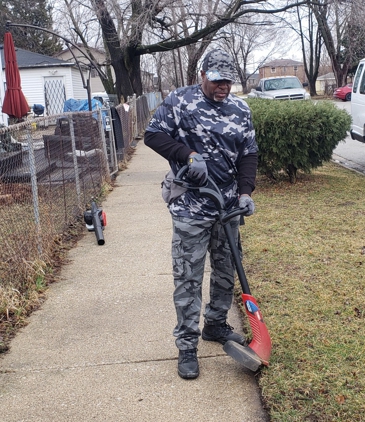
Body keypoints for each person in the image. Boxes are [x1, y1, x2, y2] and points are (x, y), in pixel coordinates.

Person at [144, 49, 258, 380]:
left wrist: (246, 192)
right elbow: (153, 134)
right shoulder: (179, 101)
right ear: (203, 76)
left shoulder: (240, 109)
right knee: (188, 278)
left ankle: (217, 325)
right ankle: (187, 346)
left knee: (225, 272)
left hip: (227, 208)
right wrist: (187, 154)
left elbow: (249, 152)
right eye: (217, 80)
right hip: (191, 207)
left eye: (228, 81)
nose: (223, 87)